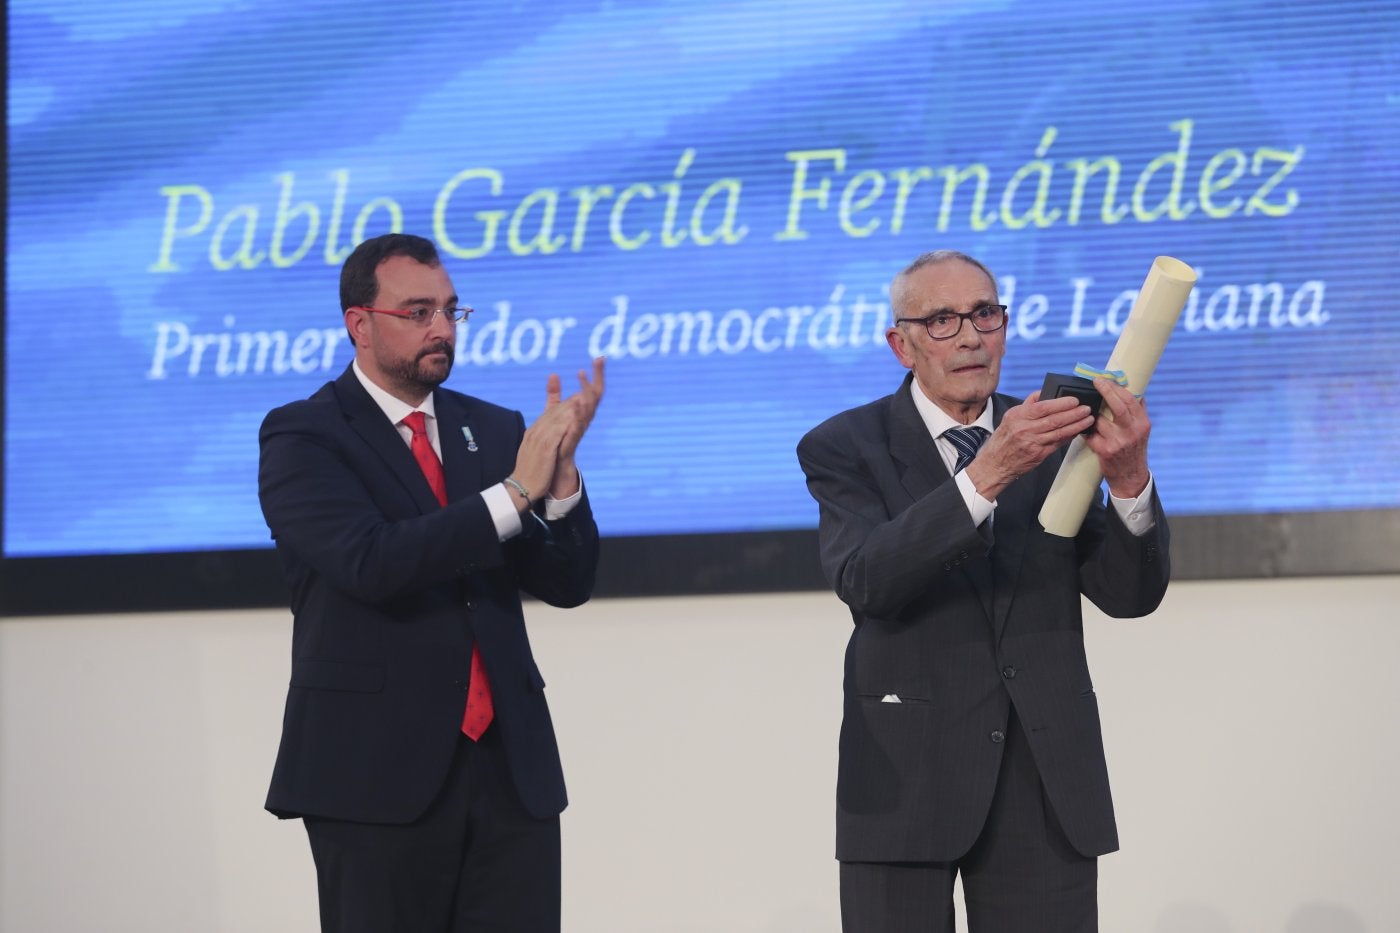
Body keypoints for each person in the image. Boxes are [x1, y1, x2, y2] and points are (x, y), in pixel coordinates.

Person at [796, 250, 1170, 933]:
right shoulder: (845, 446)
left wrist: (1129, 480)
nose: (970, 335)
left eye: (984, 313)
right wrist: (985, 476)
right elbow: (866, 579)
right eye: (941, 319)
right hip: (906, 781)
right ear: (899, 343)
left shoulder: (1055, 436)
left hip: (1043, 778)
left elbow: (1128, 594)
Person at [258, 232, 604, 933]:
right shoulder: (305, 436)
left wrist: (561, 481)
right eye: (418, 311)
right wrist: (513, 494)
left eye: (451, 310)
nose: (442, 328)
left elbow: (566, 582)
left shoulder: (491, 426)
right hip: (374, 774)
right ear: (360, 323)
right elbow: (374, 561)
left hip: (509, 772)